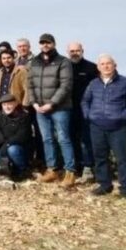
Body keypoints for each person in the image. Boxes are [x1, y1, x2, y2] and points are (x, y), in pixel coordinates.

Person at [81, 54, 126, 198]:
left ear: (115, 65)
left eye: (109, 63)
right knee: (100, 157)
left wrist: (123, 116)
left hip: (118, 127)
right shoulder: (93, 84)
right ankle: (104, 185)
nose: (106, 66)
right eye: (102, 64)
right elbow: (85, 101)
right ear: (98, 67)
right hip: (96, 126)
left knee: (122, 158)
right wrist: (88, 115)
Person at [27, 33, 76, 187]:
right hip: (40, 108)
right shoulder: (34, 62)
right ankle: (52, 170)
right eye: (42, 43)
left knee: (63, 138)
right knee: (47, 139)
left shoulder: (63, 61)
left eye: (48, 42)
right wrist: (34, 103)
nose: (45, 45)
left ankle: (70, 172)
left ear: (53, 44)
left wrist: (52, 103)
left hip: (59, 108)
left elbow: (66, 86)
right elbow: (30, 85)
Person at [67, 42, 99, 182]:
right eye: (72, 51)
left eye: (77, 50)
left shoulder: (91, 68)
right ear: (68, 52)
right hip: (68, 109)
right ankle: (76, 167)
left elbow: (97, 90)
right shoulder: (65, 67)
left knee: (86, 140)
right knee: (71, 139)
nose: (74, 53)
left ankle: (88, 168)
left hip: (87, 110)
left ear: (82, 51)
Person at [0, 94, 33, 181]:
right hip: (5, 145)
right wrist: (1, 140)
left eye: (9, 104)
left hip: (21, 148)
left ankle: (23, 170)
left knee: (12, 150)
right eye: (4, 105)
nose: (7, 107)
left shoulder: (24, 116)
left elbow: (22, 136)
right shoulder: (2, 116)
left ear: (16, 103)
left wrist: (7, 144)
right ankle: (11, 168)